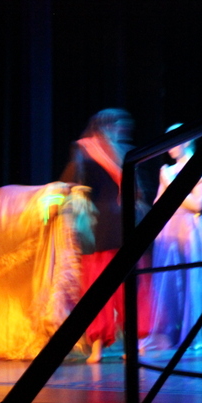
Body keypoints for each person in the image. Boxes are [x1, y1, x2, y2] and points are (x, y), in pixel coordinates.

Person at [59, 108, 144, 363]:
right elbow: (72, 184)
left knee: (128, 287)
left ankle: (131, 344)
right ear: (104, 126)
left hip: (125, 223)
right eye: (116, 125)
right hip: (100, 225)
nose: (120, 131)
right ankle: (98, 346)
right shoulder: (85, 149)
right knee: (99, 286)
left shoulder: (125, 151)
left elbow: (137, 190)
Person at [143, 124, 202, 352]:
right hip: (170, 230)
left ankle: (193, 335)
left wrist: (171, 184)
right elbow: (159, 203)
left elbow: (198, 205)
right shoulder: (167, 171)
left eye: (173, 142)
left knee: (193, 283)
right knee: (168, 282)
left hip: (190, 229)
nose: (169, 148)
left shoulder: (199, 167)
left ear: (187, 141)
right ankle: (166, 335)